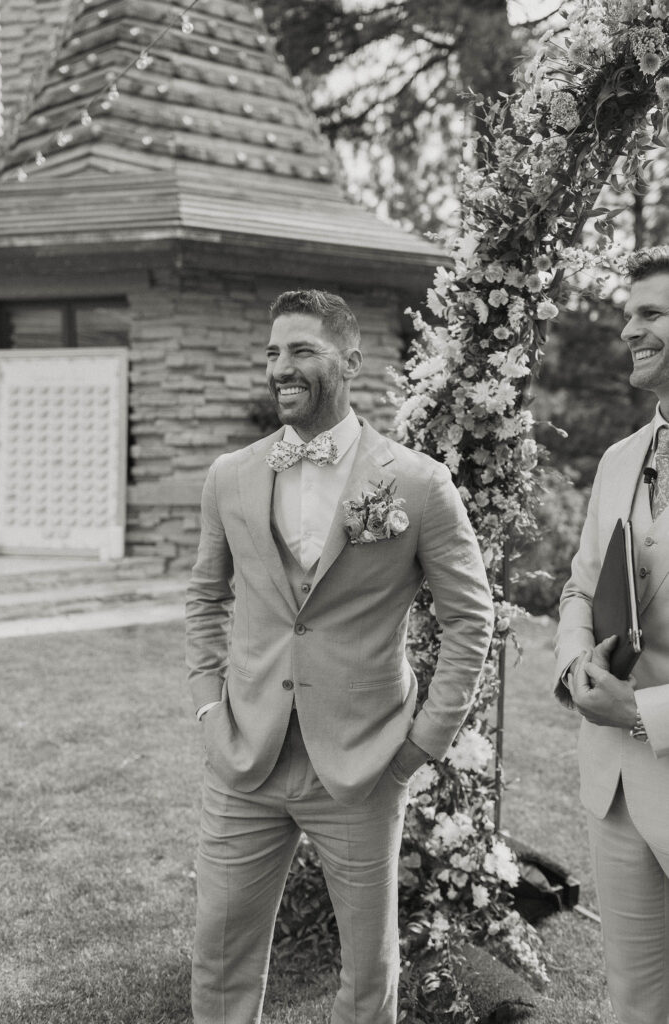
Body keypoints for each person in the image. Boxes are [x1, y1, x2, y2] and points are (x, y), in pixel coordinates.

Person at [185, 288, 494, 1024]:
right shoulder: (230, 474)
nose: (279, 368)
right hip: (244, 756)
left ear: (350, 361)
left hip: (362, 763)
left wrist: (422, 743)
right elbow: (204, 598)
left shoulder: (417, 484)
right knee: (218, 951)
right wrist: (206, 703)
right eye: (271, 352)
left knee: (365, 972)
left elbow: (469, 618)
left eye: (300, 351)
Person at [555, 246, 669, 1024]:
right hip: (617, 791)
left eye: (650, 313)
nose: (628, 329)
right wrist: (574, 670)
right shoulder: (617, 459)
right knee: (634, 1003)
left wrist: (640, 712)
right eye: (628, 314)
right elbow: (578, 581)